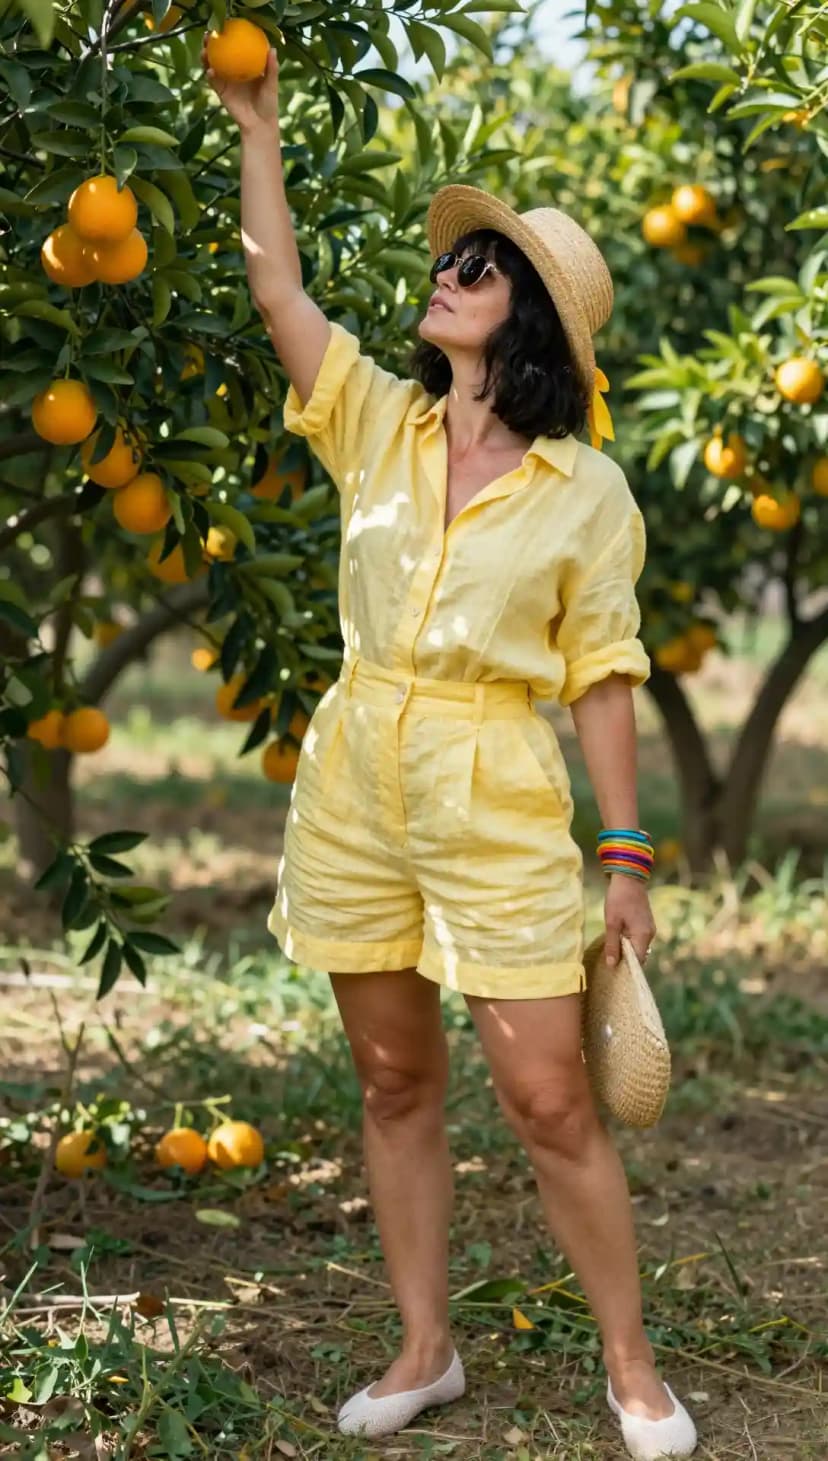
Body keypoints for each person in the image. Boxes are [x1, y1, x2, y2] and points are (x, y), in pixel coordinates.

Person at [204, 36, 698, 1461]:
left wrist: (624, 853)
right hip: (357, 776)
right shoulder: (378, 423)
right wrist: (256, 132)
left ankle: (632, 1365)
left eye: (479, 266)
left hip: (493, 787)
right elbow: (279, 290)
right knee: (393, 1081)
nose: (448, 273)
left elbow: (603, 676)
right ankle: (427, 1346)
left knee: (549, 1099)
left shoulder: (586, 491)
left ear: (527, 317)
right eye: (453, 259)